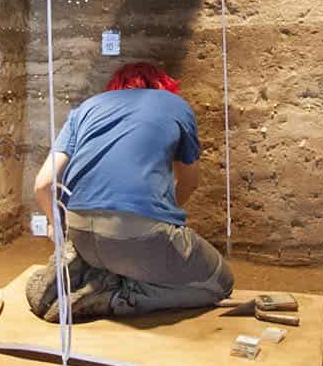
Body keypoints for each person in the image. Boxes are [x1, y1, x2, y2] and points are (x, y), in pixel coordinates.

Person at [26, 62, 234, 320]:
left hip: (79, 231)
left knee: (116, 249)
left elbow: (43, 183)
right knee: (220, 282)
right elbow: (190, 182)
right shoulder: (175, 106)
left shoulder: (86, 108)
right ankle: (117, 295)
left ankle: (86, 270)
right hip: (137, 232)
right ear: (162, 85)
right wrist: (160, 219)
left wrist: (56, 227)